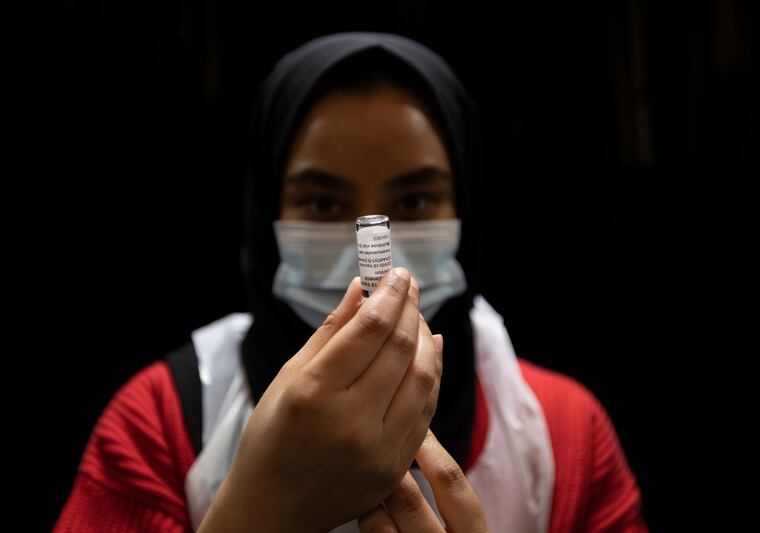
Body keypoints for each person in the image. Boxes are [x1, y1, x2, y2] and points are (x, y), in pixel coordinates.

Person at [54, 33, 647, 532]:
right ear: (267, 213)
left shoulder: (564, 437)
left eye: (414, 199)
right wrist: (255, 511)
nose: (373, 257)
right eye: (321, 201)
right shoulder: (160, 422)